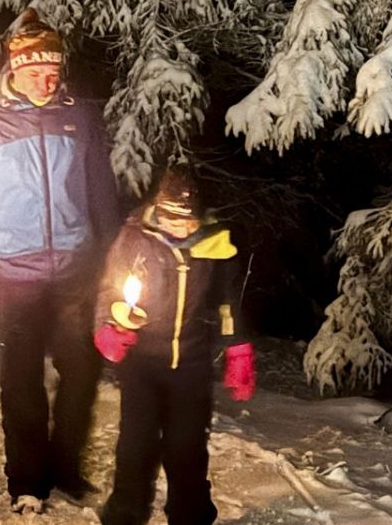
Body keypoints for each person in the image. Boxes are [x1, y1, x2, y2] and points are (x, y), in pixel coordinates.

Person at [0, 8, 121, 514]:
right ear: (14, 70)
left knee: (81, 370)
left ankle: (66, 468)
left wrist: (113, 253)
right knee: (22, 377)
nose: (45, 80)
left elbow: (102, 190)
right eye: (34, 71)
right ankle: (26, 480)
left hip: (75, 263)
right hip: (14, 268)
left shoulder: (80, 118)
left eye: (52, 71)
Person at [93, 167, 255, 525]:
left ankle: (190, 515)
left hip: (191, 365)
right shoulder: (135, 239)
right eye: (172, 218)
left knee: (187, 449)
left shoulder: (216, 246)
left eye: (188, 221)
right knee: (136, 447)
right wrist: (109, 324)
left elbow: (228, 302)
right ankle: (125, 515)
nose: (180, 227)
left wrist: (238, 346)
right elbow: (110, 290)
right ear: (159, 211)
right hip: (142, 364)